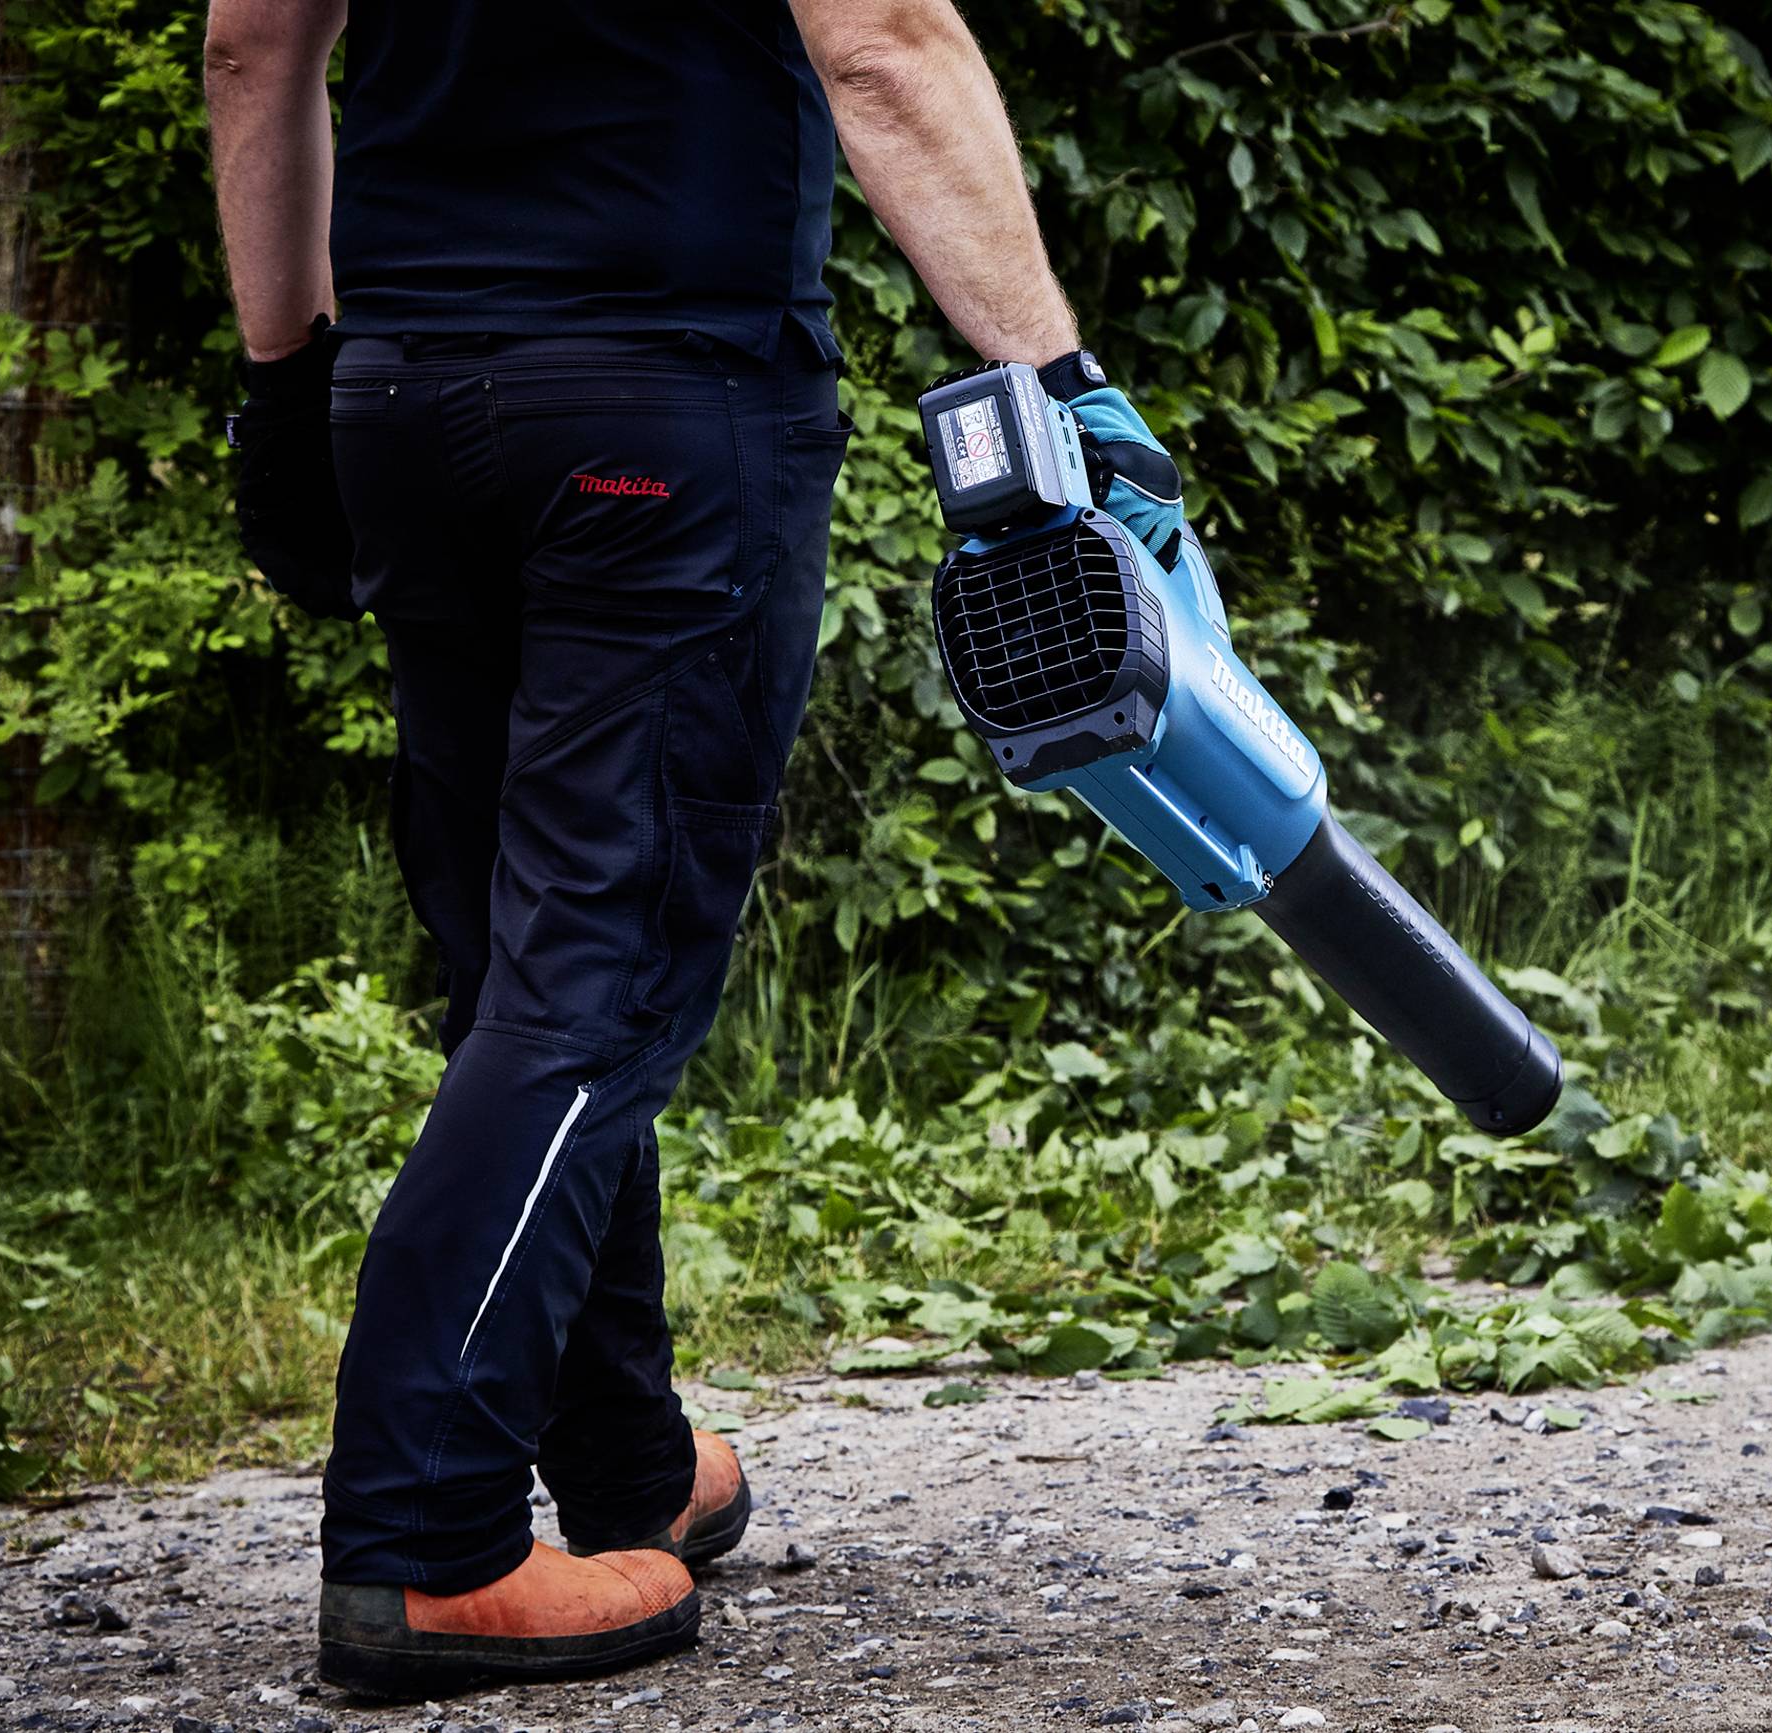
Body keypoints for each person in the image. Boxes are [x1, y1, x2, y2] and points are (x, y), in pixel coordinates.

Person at [202, 0, 1186, 1700]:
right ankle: (423, 1537)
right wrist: (1066, 387)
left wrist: (283, 386)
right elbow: (879, 41)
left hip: (406, 393)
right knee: (596, 975)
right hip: (657, 400)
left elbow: (249, 41)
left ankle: (627, 1464)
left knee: (523, 958)